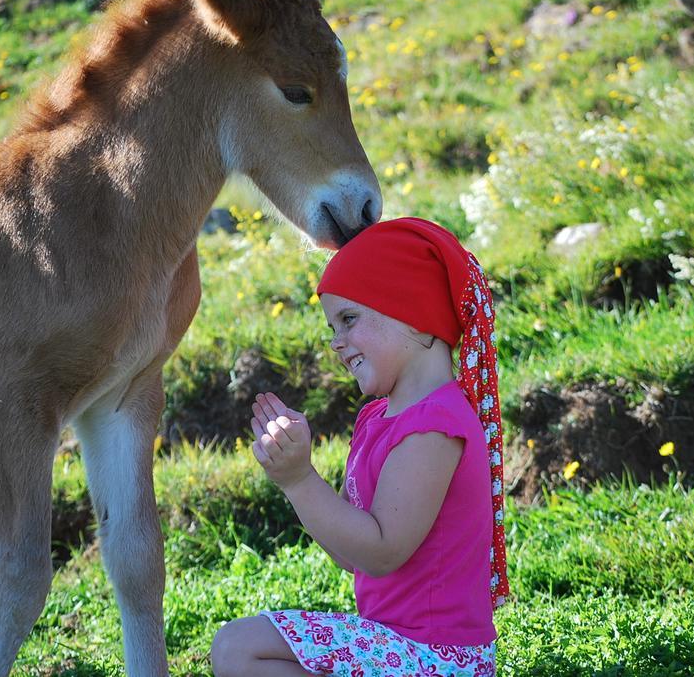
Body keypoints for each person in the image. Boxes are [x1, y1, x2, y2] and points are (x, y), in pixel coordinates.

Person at [211, 217, 508, 677]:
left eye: (349, 319)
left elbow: (381, 552)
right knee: (239, 649)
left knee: (239, 648)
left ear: (413, 308)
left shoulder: (434, 425)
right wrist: (295, 476)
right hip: (398, 648)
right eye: (333, 326)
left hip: (437, 656)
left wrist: (299, 480)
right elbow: (351, 555)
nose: (335, 342)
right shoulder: (378, 419)